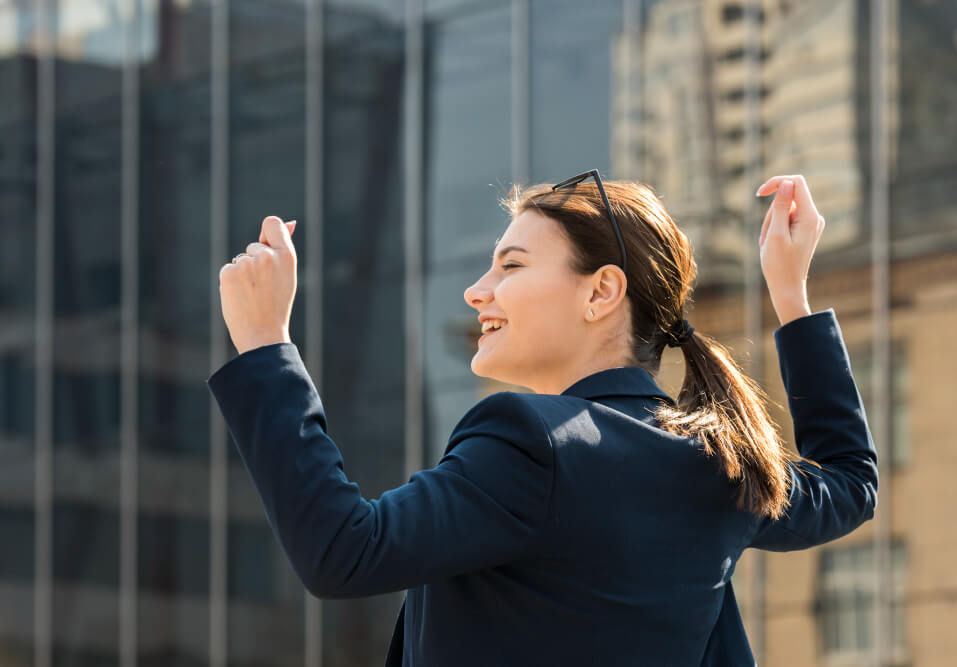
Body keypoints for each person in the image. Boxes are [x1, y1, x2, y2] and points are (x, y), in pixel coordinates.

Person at [208, 173, 877, 666]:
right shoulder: (719, 462)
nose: (477, 291)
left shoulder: (533, 443)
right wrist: (791, 296)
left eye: (512, 265)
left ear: (601, 292)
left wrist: (267, 347)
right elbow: (851, 484)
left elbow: (342, 550)